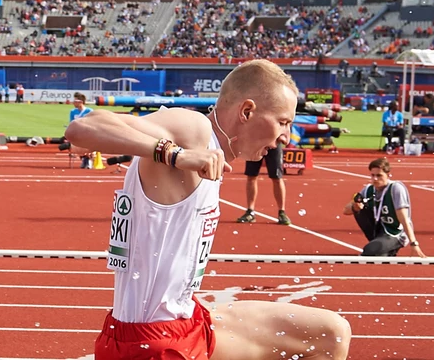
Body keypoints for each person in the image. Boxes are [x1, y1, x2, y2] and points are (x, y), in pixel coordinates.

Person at [64, 59, 351, 360]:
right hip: (149, 344)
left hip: (188, 321)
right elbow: (83, 129)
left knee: (331, 334)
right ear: (247, 111)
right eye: (282, 122)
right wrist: (176, 155)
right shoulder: (195, 129)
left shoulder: (212, 152)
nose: (286, 136)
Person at [342, 157, 426, 258]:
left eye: (379, 175)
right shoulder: (369, 189)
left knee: (369, 251)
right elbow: (346, 210)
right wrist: (355, 206)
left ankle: (383, 247)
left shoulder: (395, 189)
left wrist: (414, 243)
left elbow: (404, 219)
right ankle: (382, 248)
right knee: (360, 209)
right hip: (378, 229)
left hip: (395, 233)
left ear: (388, 175)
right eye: (372, 175)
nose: (375, 179)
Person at [235, 144, 292, 225]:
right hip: (255, 144)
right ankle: (250, 211)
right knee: (251, 176)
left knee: (277, 177)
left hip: (273, 144)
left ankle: (282, 212)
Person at [69, 92, 94, 169]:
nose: (73, 103)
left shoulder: (89, 111)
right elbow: (71, 122)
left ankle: (89, 160)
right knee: (78, 147)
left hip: (87, 132)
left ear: (81, 102)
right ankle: (83, 158)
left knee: (89, 146)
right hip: (78, 133)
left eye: (75, 101)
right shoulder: (73, 112)